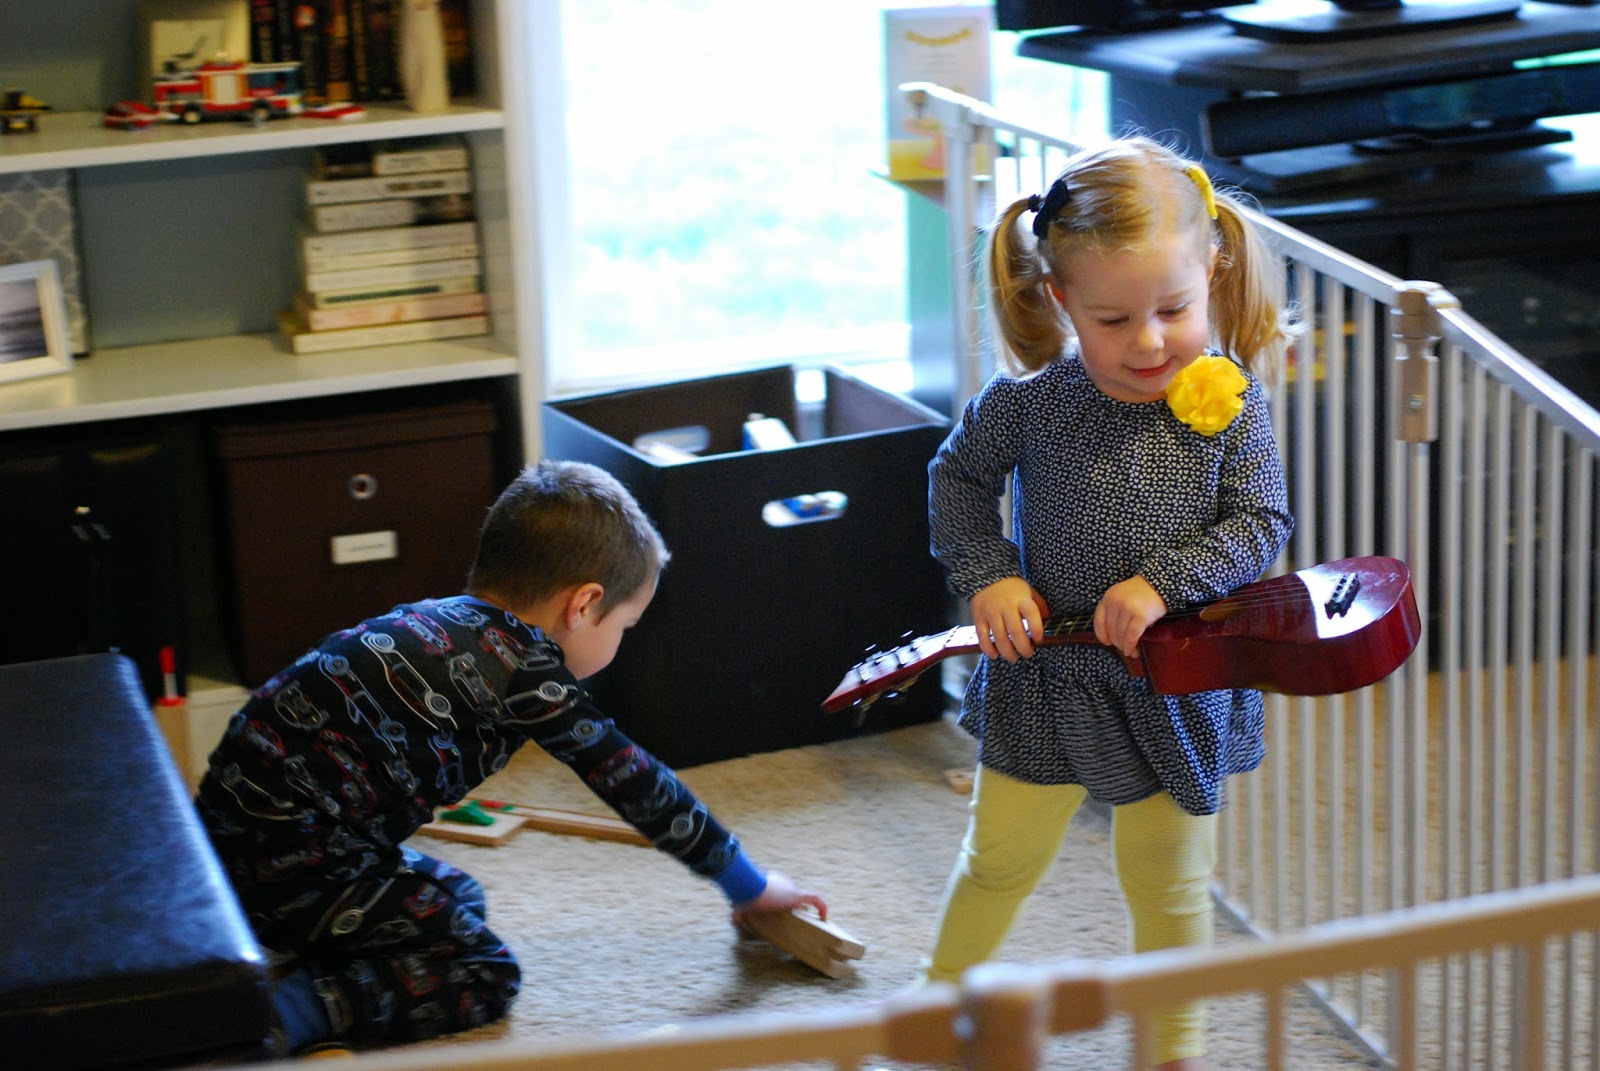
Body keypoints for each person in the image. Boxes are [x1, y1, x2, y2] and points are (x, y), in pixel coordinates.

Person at [194, 459, 827, 1056]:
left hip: (224, 854)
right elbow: (636, 783)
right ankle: (284, 1014)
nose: (621, 640)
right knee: (484, 972)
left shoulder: (439, 620)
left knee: (458, 896)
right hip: (292, 872)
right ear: (583, 605)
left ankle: (298, 943)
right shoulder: (523, 667)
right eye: (624, 626)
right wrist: (751, 886)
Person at [920, 137, 1296, 1070]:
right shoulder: (1029, 403)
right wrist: (990, 571)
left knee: (1169, 881)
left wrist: (1165, 581)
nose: (1150, 342)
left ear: (1213, 273)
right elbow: (957, 479)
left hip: (1174, 686)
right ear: (1060, 300)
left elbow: (1261, 521)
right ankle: (934, 1013)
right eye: (1113, 318)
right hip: (1046, 680)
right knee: (999, 860)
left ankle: (1174, 1048)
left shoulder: (1233, 408)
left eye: (1174, 309)